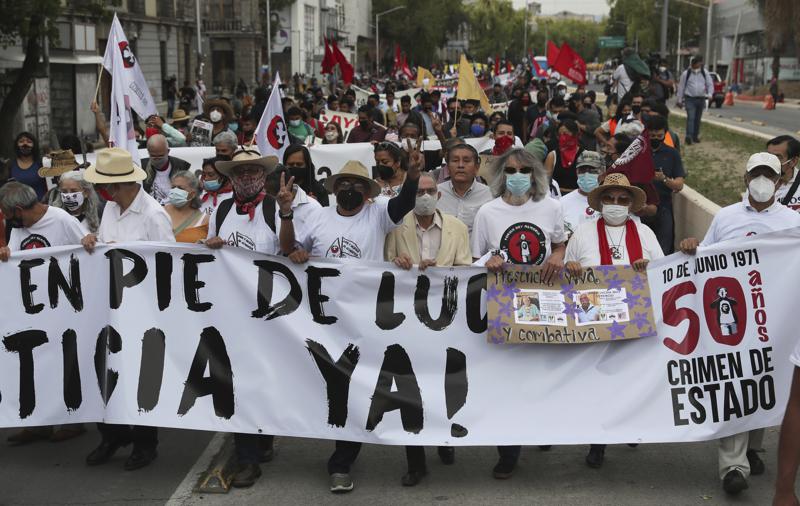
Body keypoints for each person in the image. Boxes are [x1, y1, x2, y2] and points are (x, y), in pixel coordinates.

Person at [285, 142, 423, 494]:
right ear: (335, 189)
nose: (350, 190)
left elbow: (405, 203)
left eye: (357, 185)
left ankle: (417, 460)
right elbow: (290, 249)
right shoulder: (318, 216)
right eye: (344, 184)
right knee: (345, 390)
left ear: (367, 191)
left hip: (372, 318)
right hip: (329, 323)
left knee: (397, 382)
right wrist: (294, 241)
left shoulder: (378, 214)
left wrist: (414, 172)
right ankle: (341, 463)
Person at [679, 152, 800, 495]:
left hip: (774, 317)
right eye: (756, 175)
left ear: (779, 182)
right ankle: (734, 465)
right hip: (730, 318)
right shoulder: (726, 216)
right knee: (734, 379)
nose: (762, 182)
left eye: (769, 176)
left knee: (764, 382)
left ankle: (753, 448)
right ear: (746, 178)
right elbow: (706, 257)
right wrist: (693, 247)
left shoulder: (792, 223)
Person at [471, 147, 566, 478]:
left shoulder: (551, 207)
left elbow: (559, 243)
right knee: (507, 382)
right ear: (500, 175)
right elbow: (475, 260)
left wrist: (559, 254)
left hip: (544, 305)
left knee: (539, 376)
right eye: (510, 170)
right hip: (503, 308)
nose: (517, 176)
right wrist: (489, 261)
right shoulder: (487, 213)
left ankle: (539, 429)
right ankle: (508, 451)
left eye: (524, 170)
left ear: (535, 175)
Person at [80, 147, 175, 471]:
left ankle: (146, 442)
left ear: (126, 184)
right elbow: (105, 243)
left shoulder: (153, 215)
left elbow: (168, 264)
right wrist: (92, 240)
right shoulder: (110, 208)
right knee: (103, 371)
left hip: (142, 310)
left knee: (139, 376)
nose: (106, 191)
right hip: (108, 307)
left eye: (111, 186)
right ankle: (113, 434)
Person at [205, 149, 295, 488]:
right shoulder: (222, 209)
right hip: (233, 312)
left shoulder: (274, 207)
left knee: (264, 382)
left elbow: (287, 249)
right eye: (240, 173)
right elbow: (211, 252)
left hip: (269, 312)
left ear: (263, 176)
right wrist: (210, 245)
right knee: (236, 384)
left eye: (253, 172)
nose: (246, 178)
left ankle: (263, 439)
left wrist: (286, 212)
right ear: (231, 178)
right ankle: (247, 459)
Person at [647, 115, 685, 254]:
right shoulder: (638, 151)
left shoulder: (672, 154)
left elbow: (679, 185)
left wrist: (664, 179)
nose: (655, 138)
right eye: (652, 135)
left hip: (663, 207)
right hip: (640, 207)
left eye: (659, 135)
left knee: (664, 250)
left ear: (665, 134)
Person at [436, 143, 493, 235]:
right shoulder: (436, 193)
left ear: (476, 167)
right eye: (455, 160)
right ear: (447, 168)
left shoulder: (490, 196)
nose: (460, 165)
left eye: (466, 161)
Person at [561, 151, 606, 238]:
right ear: (576, 172)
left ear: (603, 173)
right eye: (582, 170)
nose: (586, 174)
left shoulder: (612, 200)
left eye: (593, 170)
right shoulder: (562, 203)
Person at [47, 170, 103, 234]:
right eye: (64, 191)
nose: (68, 196)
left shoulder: (100, 213)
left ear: (86, 192)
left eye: (73, 191)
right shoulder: (55, 216)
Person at [140, 134, 192, 203]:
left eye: (160, 156)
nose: (157, 159)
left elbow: (190, 190)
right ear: (148, 152)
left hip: (175, 208)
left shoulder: (181, 166)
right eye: (153, 155)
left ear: (168, 151)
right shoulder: (141, 167)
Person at [676, 55, 714, 145]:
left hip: (701, 99)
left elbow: (710, 84)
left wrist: (710, 94)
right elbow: (681, 87)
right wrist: (679, 100)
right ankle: (689, 136)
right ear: (692, 64)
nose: (698, 65)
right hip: (690, 99)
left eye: (699, 63)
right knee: (691, 118)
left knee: (697, 119)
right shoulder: (686, 73)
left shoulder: (705, 73)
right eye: (696, 63)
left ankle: (695, 136)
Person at [165, 171, 208, 243]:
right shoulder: (159, 212)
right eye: (173, 187)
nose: (175, 191)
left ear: (192, 194)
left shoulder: (204, 220)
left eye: (180, 188)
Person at [545, 119, 583, 192]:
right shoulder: (552, 156)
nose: (563, 138)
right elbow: (545, 182)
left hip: (578, 196)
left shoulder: (584, 155)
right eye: (560, 135)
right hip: (557, 196)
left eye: (565, 134)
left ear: (575, 134)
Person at [7, 132, 47, 201]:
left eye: (29, 142)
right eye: (21, 141)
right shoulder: (10, 165)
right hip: (18, 207)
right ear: (16, 145)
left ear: (34, 145)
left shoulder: (42, 163)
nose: (25, 144)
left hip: (40, 206)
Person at [767, 135, 800, 211]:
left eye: (778, 157)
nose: (770, 162)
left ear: (793, 161)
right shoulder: (757, 180)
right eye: (768, 156)